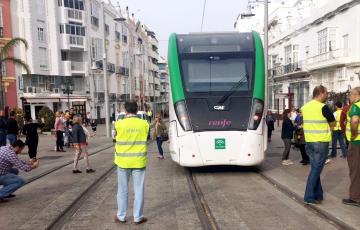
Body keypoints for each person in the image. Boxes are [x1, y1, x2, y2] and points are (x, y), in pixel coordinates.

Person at [113, 100, 149, 225]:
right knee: (139, 190)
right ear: (137, 110)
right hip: (139, 161)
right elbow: (148, 137)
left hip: (122, 162)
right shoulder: (144, 123)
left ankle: (121, 216)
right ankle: (138, 217)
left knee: (122, 190)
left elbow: (114, 138)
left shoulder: (118, 124)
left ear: (125, 110)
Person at [302, 86, 336, 204]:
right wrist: (330, 128)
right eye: (326, 93)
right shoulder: (323, 107)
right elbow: (332, 121)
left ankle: (318, 195)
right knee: (316, 169)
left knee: (315, 168)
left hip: (309, 142)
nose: (327, 96)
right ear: (321, 94)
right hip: (321, 142)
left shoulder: (305, 107)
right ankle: (309, 196)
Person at [343, 87, 360, 207]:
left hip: (356, 142)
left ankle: (355, 197)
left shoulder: (355, 106)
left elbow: (354, 121)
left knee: (355, 170)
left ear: (355, 95)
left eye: (350, 95)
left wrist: (353, 135)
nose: (349, 97)